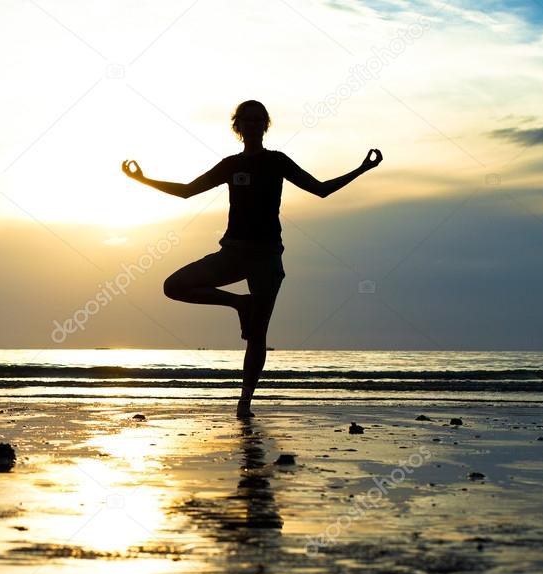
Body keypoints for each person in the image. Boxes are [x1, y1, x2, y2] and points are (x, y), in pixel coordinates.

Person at [122, 100, 382, 418]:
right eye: (247, 120)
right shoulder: (230, 165)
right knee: (174, 285)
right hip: (232, 252)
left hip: (267, 258)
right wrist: (142, 180)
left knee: (258, 334)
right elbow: (187, 191)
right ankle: (238, 304)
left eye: (259, 120)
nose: (254, 125)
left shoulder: (277, 161)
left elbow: (321, 190)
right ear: (238, 126)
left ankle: (244, 402)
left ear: (265, 126)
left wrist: (363, 169)